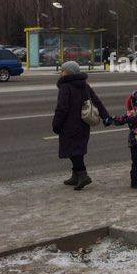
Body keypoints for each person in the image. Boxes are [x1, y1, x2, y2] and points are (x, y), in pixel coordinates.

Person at [52, 61, 110, 190]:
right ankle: (76, 175)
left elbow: (62, 108)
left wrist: (56, 124)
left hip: (69, 125)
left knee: (73, 151)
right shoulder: (84, 85)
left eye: (63, 70)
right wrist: (105, 116)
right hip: (83, 123)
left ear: (69, 72)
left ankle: (83, 175)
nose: (61, 72)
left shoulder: (65, 86)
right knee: (76, 149)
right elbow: (96, 101)